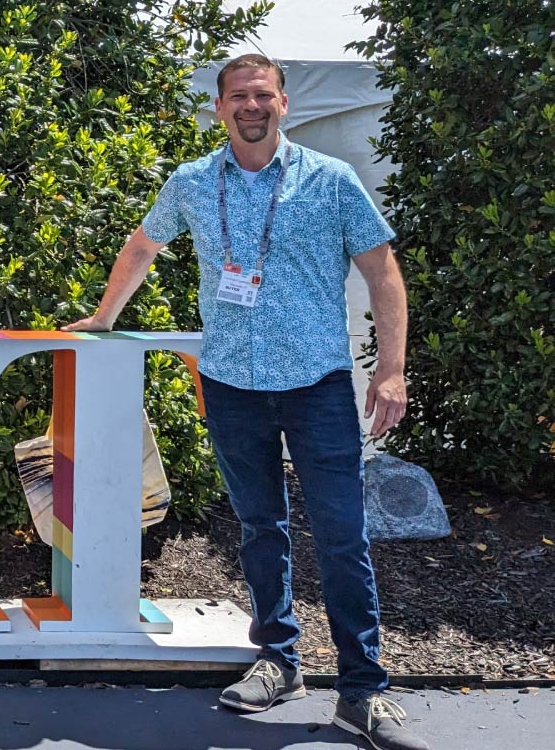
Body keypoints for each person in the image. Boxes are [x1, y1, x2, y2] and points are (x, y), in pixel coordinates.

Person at [64, 54, 425, 750]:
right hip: (230, 383)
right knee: (261, 529)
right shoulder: (193, 182)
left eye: (263, 95)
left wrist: (392, 370)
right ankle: (279, 662)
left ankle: (363, 692)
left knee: (343, 536)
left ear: (284, 104)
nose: (251, 106)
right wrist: (106, 317)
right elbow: (143, 244)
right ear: (220, 107)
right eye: (238, 96)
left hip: (316, 385)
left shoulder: (331, 180)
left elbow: (382, 271)